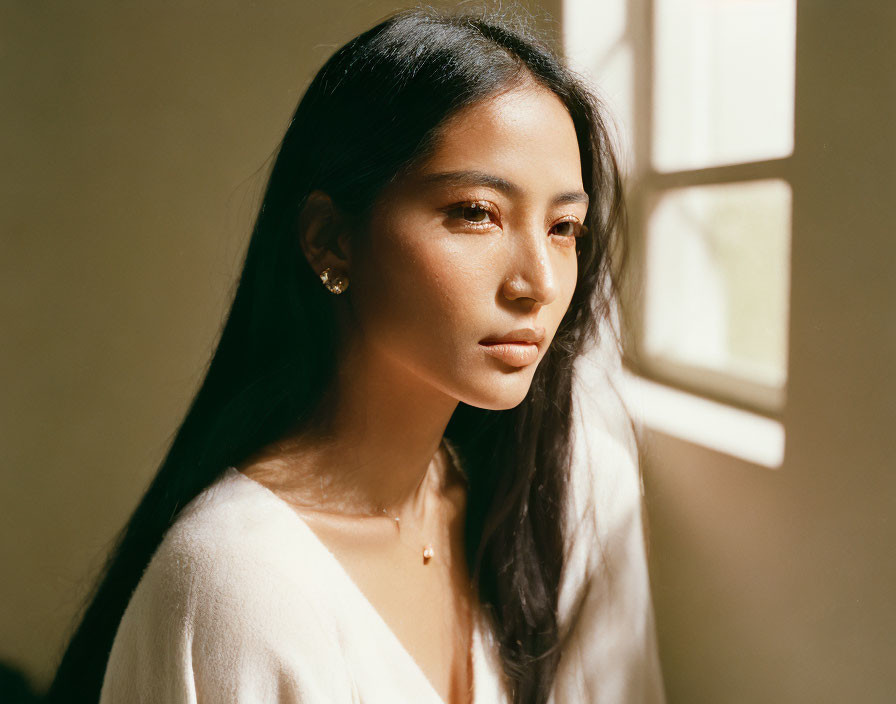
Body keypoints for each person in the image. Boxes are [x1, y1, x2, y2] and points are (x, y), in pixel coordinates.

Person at [46, 5, 665, 703]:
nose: (539, 284)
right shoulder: (238, 583)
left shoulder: (567, 489)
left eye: (564, 227)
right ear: (331, 240)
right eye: (475, 212)